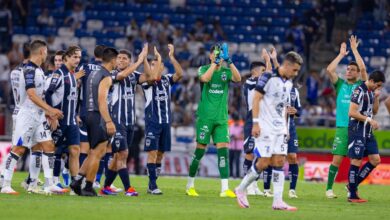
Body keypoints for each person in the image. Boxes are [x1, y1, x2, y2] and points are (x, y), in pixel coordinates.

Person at [70, 46, 147, 196]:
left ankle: (77, 180)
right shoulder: (105, 76)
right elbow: (102, 100)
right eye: (116, 59)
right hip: (98, 116)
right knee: (98, 153)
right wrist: (109, 121)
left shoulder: (94, 72)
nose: (117, 62)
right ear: (112, 60)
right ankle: (88, 187)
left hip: (87, 113)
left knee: (93, 151)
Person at [235, 51, 303, 211]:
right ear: (286, 65)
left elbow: (284, 108)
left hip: (280, 128)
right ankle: (241, 188)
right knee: (264, 162)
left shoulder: (288, 84)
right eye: (294, 70)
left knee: (279, 161)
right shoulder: (268, 77)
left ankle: (278, 201)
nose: (296, 73)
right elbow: (256, 99)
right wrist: (256, 124)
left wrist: (285, 128)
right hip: (265, 127)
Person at [0, 40, 64, 195]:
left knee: (48, 145)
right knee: (19, 149)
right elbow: (31, 94)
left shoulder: (39, 70)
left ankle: (48, 184)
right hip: (27, 115)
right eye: (47, 51)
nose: (47, 54)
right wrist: (50, 109)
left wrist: (46, 112)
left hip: (39, 116)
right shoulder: (29, 70)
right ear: (42, 51)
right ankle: (5, 184)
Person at [186, 43, 241, 198]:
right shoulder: (203, 69)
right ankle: (190, 185)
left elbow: (238, 78)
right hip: (205, 118)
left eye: (220, 54)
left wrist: (229, 61)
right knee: (200, 151)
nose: (218, 57)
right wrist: (215, 63)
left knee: (223, 151)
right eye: (215, 54)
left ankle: (224, 189)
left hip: (222, 118)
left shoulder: (226, 71)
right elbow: (205, 78)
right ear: (210, 56)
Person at [99, 46, 151, 196]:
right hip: (116, 121)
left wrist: (144, 59)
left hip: (130, 122)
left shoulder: (134, 75)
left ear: (129, 61)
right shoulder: (112, 74)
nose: (121, 60)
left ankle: (106, 187)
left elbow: (150, 77)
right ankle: (128, 189)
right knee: (123, 154)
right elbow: (121, 76)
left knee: (118, 157)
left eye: (124, 58)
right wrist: (139, 61)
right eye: (119, 58)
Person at [325, 36, 368, 198]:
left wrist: (355, 50)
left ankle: (352, 186)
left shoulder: (361, 86)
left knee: (355, 160)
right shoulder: (340, 84)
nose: (348, 71)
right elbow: (330, 70)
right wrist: (341, 55)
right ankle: (329, 189)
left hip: (357, 127)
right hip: (343, 126)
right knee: (337, 159)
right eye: (347, 69)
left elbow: (364, 70)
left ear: (357, 74)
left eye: (352, 70)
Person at [142, 44, 183, 195]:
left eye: (156, 64)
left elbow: (180, 73)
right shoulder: (146, 81)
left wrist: (171, 57)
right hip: (153, 123)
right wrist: (158, 58)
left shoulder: (166, 80)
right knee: (152, 153)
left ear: (162, 67)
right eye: (151, 64)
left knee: (160, 154)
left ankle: (151, 183)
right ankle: (152, 185)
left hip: (166, 123)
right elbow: (153, 77)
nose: (154, 66)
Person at [45, 46, 83, 192]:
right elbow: (48, 94)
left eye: (79, 57)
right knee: (52, 151)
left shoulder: (73, 76)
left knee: (75, 150)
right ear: (66, 58)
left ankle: (75, 185)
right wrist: (52, 115)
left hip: (71, 121)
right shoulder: (59, 74)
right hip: (59, 121)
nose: (77, 60)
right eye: (75, 57)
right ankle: (49, 182)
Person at [347, 70, 385, 202]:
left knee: (375, 160)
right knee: (356, 160)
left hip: (367, 130)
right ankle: (352, 195)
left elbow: (374, 111)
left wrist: (377, 97)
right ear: (372, 81)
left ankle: (352, 185)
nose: (378, 88)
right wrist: (369, 120)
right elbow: (351, 112)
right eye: (378, 85)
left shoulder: (370, 92)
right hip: (357, 128)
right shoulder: (359, 90)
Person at [242, 49, 273, 197]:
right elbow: (268, 75)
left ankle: (254, 185)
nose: (264, 73)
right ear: (255, 72)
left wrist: (269, 61)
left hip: (261, 121)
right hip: (251, 120)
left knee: (259, 154)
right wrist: (268, 60)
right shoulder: (250, 82)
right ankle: (247, 185)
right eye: (261, 71)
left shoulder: (258, 83)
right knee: (249, 153)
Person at [77, 45, 107, 189]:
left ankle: (80, 179)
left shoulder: (85, 67)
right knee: (99, 149)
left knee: (85, 148)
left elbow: (75, 87)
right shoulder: (106, 70)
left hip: (84, 111)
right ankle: (94, 181)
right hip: (99, 113)